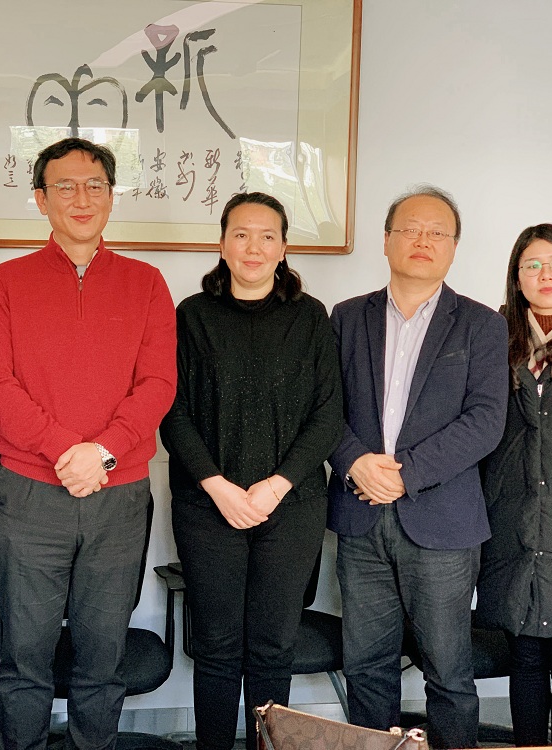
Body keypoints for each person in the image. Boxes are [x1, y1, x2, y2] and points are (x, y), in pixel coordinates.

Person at [0, 137, 177, 750]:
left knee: (103, 654)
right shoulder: (6, 282)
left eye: (94, 186)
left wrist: (102, 452)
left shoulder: (146, 283)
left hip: (119, 495)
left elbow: (159, 384)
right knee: (25, 653)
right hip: (31, 493)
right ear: (41, 199)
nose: (81, 198)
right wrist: (68, 451)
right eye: (64, 186)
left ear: (112, 196)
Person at [159, 192, 343, 750]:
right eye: (241, 234)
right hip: (207, 504)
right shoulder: (192, 315)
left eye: (267, 236)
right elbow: (172, 410)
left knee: (272, 647)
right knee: (216, 647)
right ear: (222, 244)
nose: (254, 247)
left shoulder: (309, 316)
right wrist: (217, 486)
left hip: (291, 505)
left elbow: (329, 413)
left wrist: (277, 484)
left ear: (283, 248)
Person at [327, 186, 508, 748]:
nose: (422, 240)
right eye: (410, 229)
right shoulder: (347, 317)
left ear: (454, 247)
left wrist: (403, 474)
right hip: (360, 517)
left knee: (448, 672)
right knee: (366, 667)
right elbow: (324, 407)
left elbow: (485, 420)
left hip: (443, 522)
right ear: (386, 241)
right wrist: (354, 461)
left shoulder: (481, 324)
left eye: (437, 232)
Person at [477, 224, 552, 746]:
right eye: (532, 265)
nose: (545, 274)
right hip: (511, 516)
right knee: (523, 656)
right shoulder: (494, 333)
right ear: (516, 276)